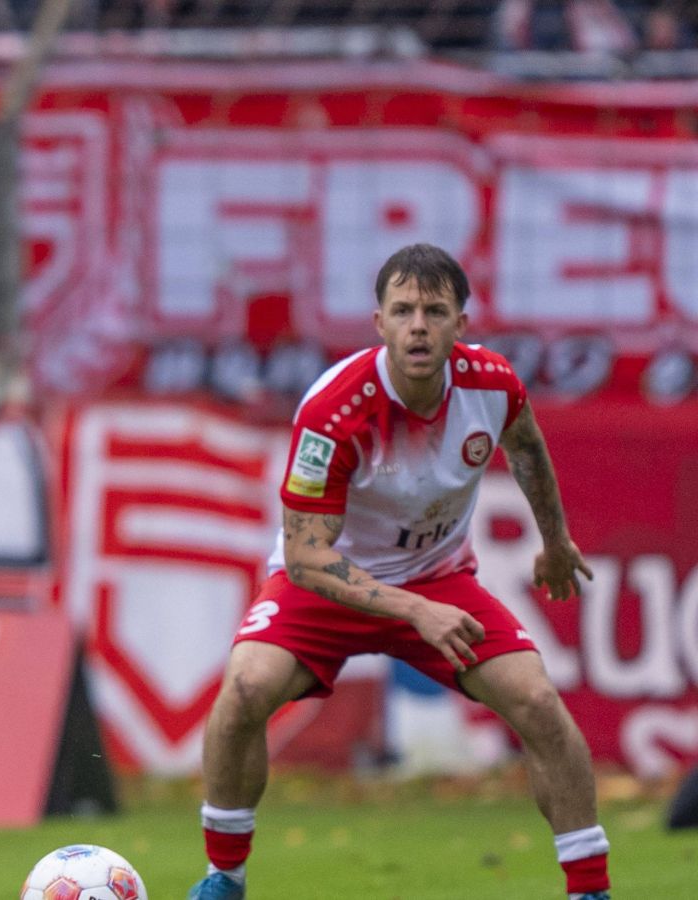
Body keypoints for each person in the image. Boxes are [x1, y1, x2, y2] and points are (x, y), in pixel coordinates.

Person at [187, 244, 611, 900]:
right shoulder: (333, 411)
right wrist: (411, 609)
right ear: (379, 322)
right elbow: (304, 557)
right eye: (404, 310)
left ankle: (590, 889)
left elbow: (526, 446)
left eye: (435, 311)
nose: (419, 325)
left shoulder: (493, 385)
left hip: (439, 578)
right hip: (328, 584)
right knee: (243, 691)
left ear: (460, 325)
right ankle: (224, 878)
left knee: (536, 701)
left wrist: (555, 542)